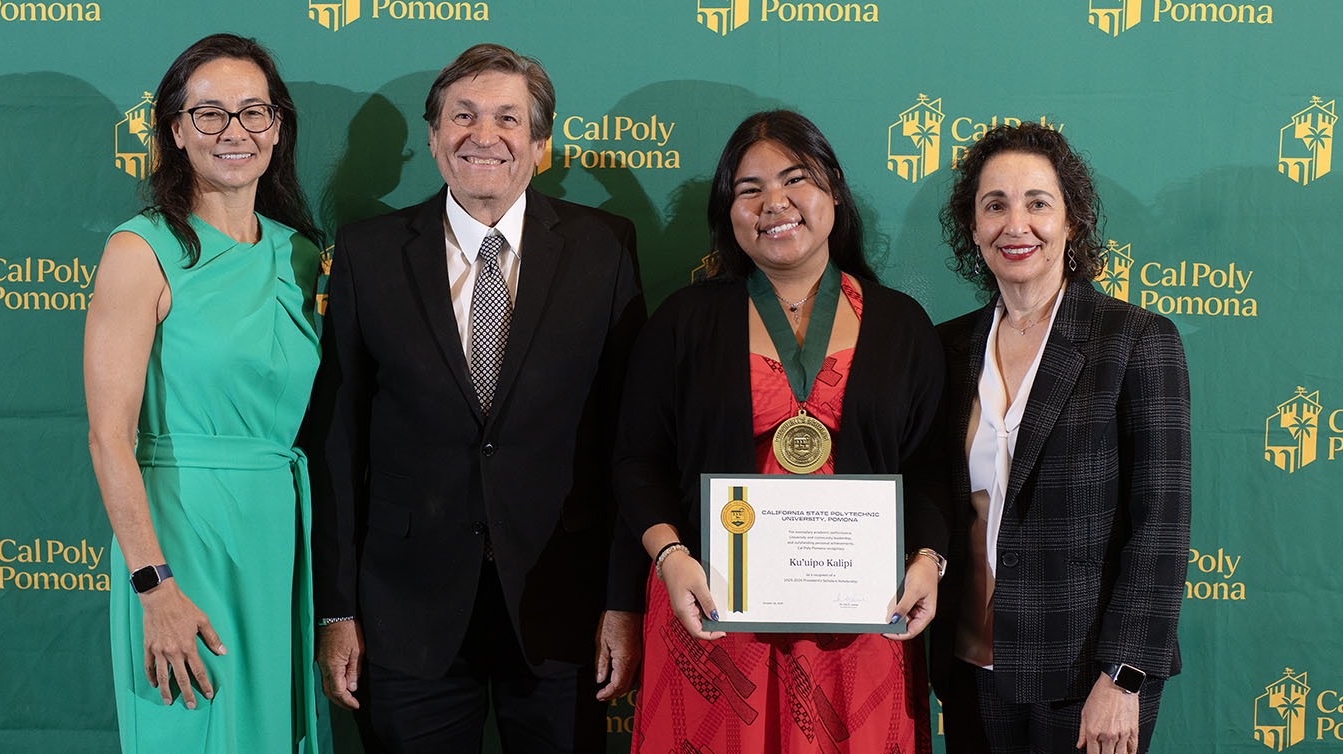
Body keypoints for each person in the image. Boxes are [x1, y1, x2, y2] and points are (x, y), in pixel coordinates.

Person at [307, 43, 647, 752]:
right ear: (433, 138)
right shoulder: (368, 253)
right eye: (461, 116)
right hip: (405, 612)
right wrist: (336, 609)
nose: (483, 136)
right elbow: (338, 443)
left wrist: (623, 601)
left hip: (562, 605)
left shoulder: (604, 247)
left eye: (507, 118)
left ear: (541, 144)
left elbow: (629, 441)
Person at [614, 110, 947, 754]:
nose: (775, 203)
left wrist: (929, 561)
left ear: (834, 194)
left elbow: (931, 466)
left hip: (861, 627)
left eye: (797, 179)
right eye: (749, 188)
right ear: (728, 210)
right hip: (709, 618)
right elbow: (636, 460)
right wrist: (670, 558)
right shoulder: (684, 320)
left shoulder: (901, 324)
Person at [84, 34, 324, 753]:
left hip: (278, 532)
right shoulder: (140, 250)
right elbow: (108, 438)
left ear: (277, 128)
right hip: (183, 539)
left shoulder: (302, 253)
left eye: (253, 111)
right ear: (176, 130)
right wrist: (153, 586)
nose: (234, 132)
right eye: (210, 113)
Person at [928, 122, 1192, 754]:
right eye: (995, 205)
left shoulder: (1135, 341)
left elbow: (1161, 525)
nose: (1015, 224)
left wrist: (1123, 677)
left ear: (1072, 222)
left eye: (1038, 203)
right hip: (968, 671)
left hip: (1085, 682)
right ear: (973, 227)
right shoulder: (946, 347)